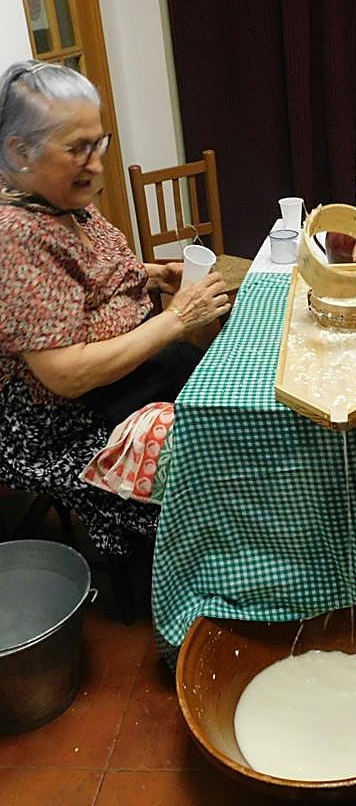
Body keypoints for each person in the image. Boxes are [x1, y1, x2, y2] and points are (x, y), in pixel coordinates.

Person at [0, 60, 230, 557]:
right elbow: (65, 375)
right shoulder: (17, 234)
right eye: (77, 149)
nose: (96, 163)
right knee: (215, 448)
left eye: (98, 143)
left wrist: (147, 273)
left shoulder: (63, 200)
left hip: (130, 374)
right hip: (63, 418)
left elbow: (86, 279)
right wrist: (177, 319)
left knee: (229, 390)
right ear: (20, 151)